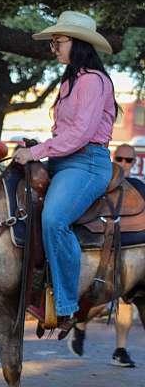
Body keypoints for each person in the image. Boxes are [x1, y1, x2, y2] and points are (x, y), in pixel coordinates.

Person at [14, 11, 120, 331]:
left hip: (87, 163)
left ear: (78, 44)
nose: (54, 48)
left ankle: (66, 305)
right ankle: (30, 284)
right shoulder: (71, 81)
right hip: (65, 159)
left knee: (53, 219)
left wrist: (34, 151)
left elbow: (80, 135)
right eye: (53, 43)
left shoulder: (93, 81)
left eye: (58, 42)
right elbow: (64, 135)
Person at [68, 144, 143, 367]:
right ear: (114, 158)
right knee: (99, 299)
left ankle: (120, 349)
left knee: (127, 300)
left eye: (128, 160)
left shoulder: (139, 188)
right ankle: (79, 323)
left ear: (134, 162)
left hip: (132, 254)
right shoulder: (100, 186)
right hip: (104, 251)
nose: (123, 163)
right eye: (119, 158)